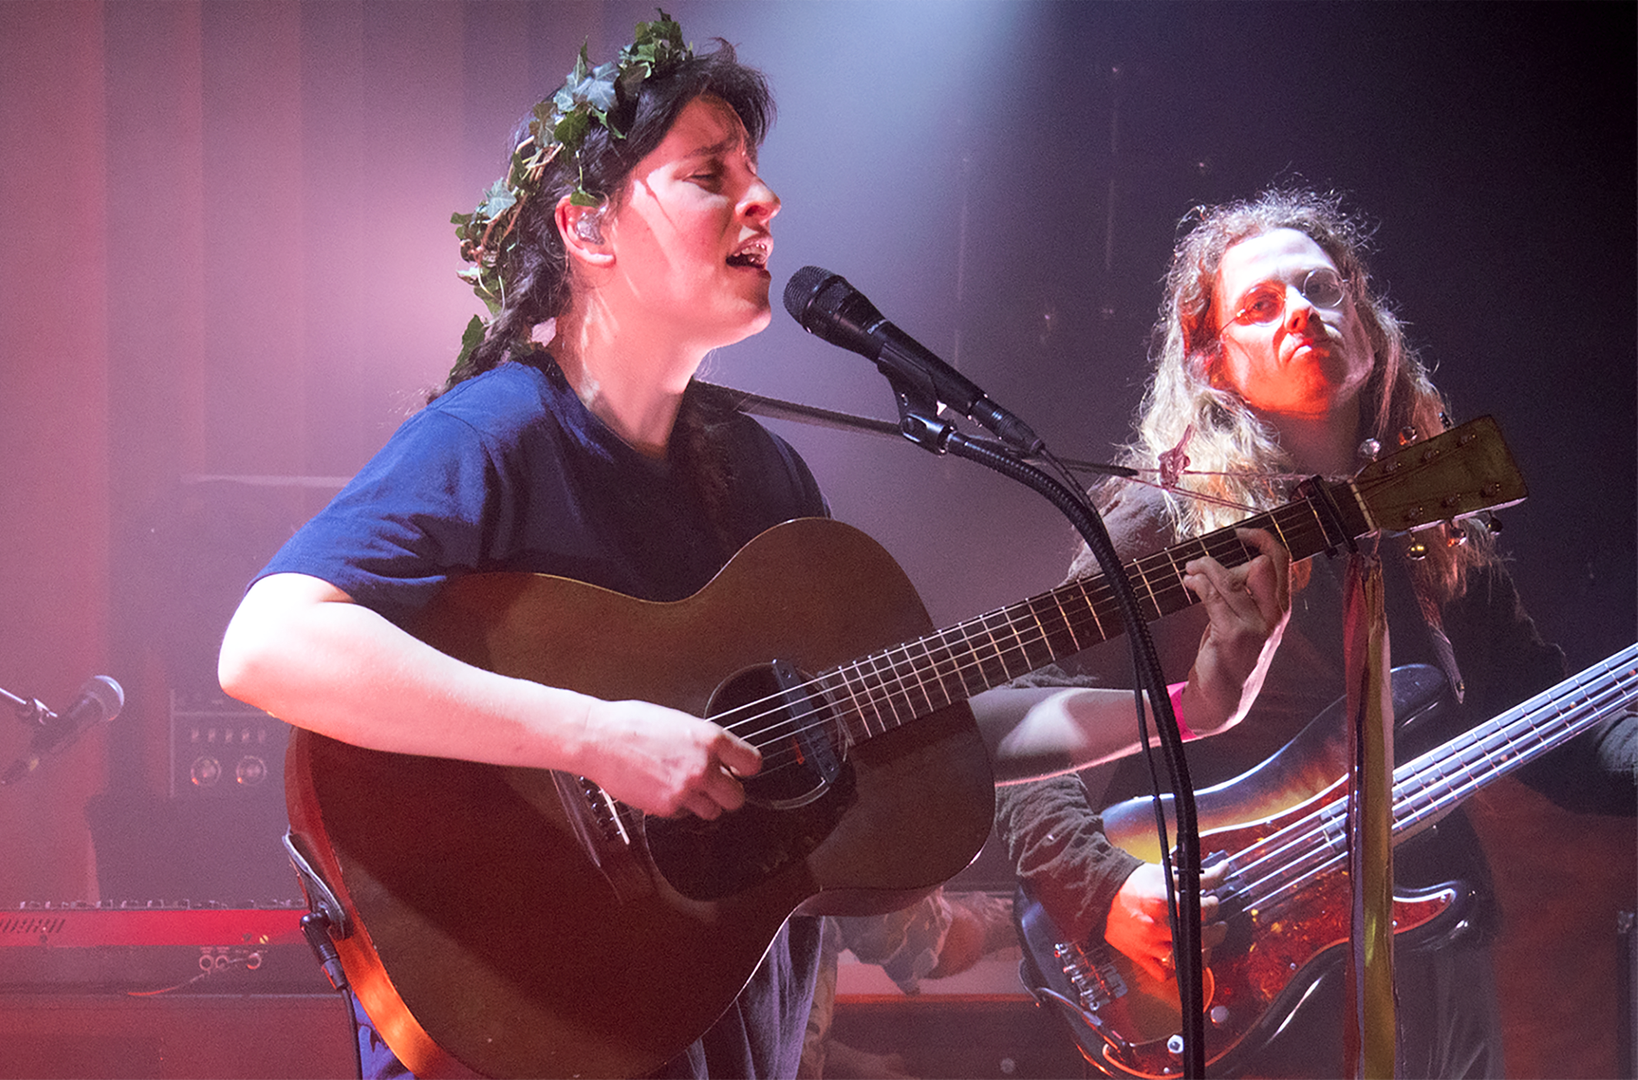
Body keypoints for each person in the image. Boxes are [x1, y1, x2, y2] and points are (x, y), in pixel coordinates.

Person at [216, 17, 1291, 1080]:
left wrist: (1189, 706)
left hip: (721, 1029)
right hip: (530, 1013)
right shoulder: (494, 436)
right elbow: (269, 645)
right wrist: (595, 738)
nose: (764, 201)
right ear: (588, 231)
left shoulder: (763, 479)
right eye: (708, 174)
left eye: (757, 174)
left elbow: (912, 724)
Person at [995, 187, 1638, 1080]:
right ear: (1213, 362)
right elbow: (1028, 706)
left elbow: (1555, 730)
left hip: (1436, 959)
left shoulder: (1440, 524)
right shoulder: (1172, 524)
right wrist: (1106, 890)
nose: (1302, 310)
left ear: (1367, 325)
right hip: (1241, 966)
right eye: (1260, 305)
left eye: (1322, 288)